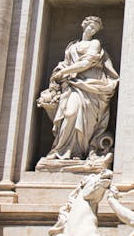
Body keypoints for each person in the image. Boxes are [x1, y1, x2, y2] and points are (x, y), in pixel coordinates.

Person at [38, 16, 119, 163]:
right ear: (84, 26)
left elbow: (86, 63)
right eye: (90, 26)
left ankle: (78, 152)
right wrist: (61, 70)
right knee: (70, 113)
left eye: (95, 28)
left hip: (91, 86)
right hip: (72, 84)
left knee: (83, 118)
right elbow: (66, 62)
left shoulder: (95, 44)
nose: (92, 30)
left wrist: (64, 72)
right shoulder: (72, 46)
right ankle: (61, 150)